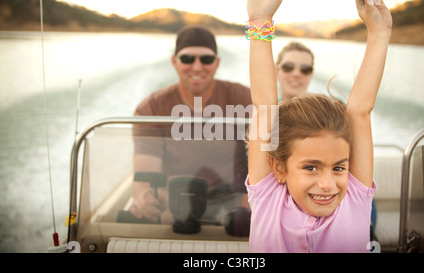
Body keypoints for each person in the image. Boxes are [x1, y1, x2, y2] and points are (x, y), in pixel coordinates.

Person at [246, 0, 392, 253]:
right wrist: (259, 19)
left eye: (338, 168)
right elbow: (264, 107)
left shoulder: (353, 198)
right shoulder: (268, 196)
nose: (328, 184)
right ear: (279, 168)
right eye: (311, 167)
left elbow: (360, 112)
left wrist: (380, 32)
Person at [130, 26, 252, 225]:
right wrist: (145, 196)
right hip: (176, 201)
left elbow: (264, 156)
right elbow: (146, 174)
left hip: (233, 199)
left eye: (206, 59)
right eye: (187, 59)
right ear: (174, 62)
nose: (197, 67)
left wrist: (250, 200)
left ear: (217, 63)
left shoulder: (243, 98)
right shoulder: (151, 108)